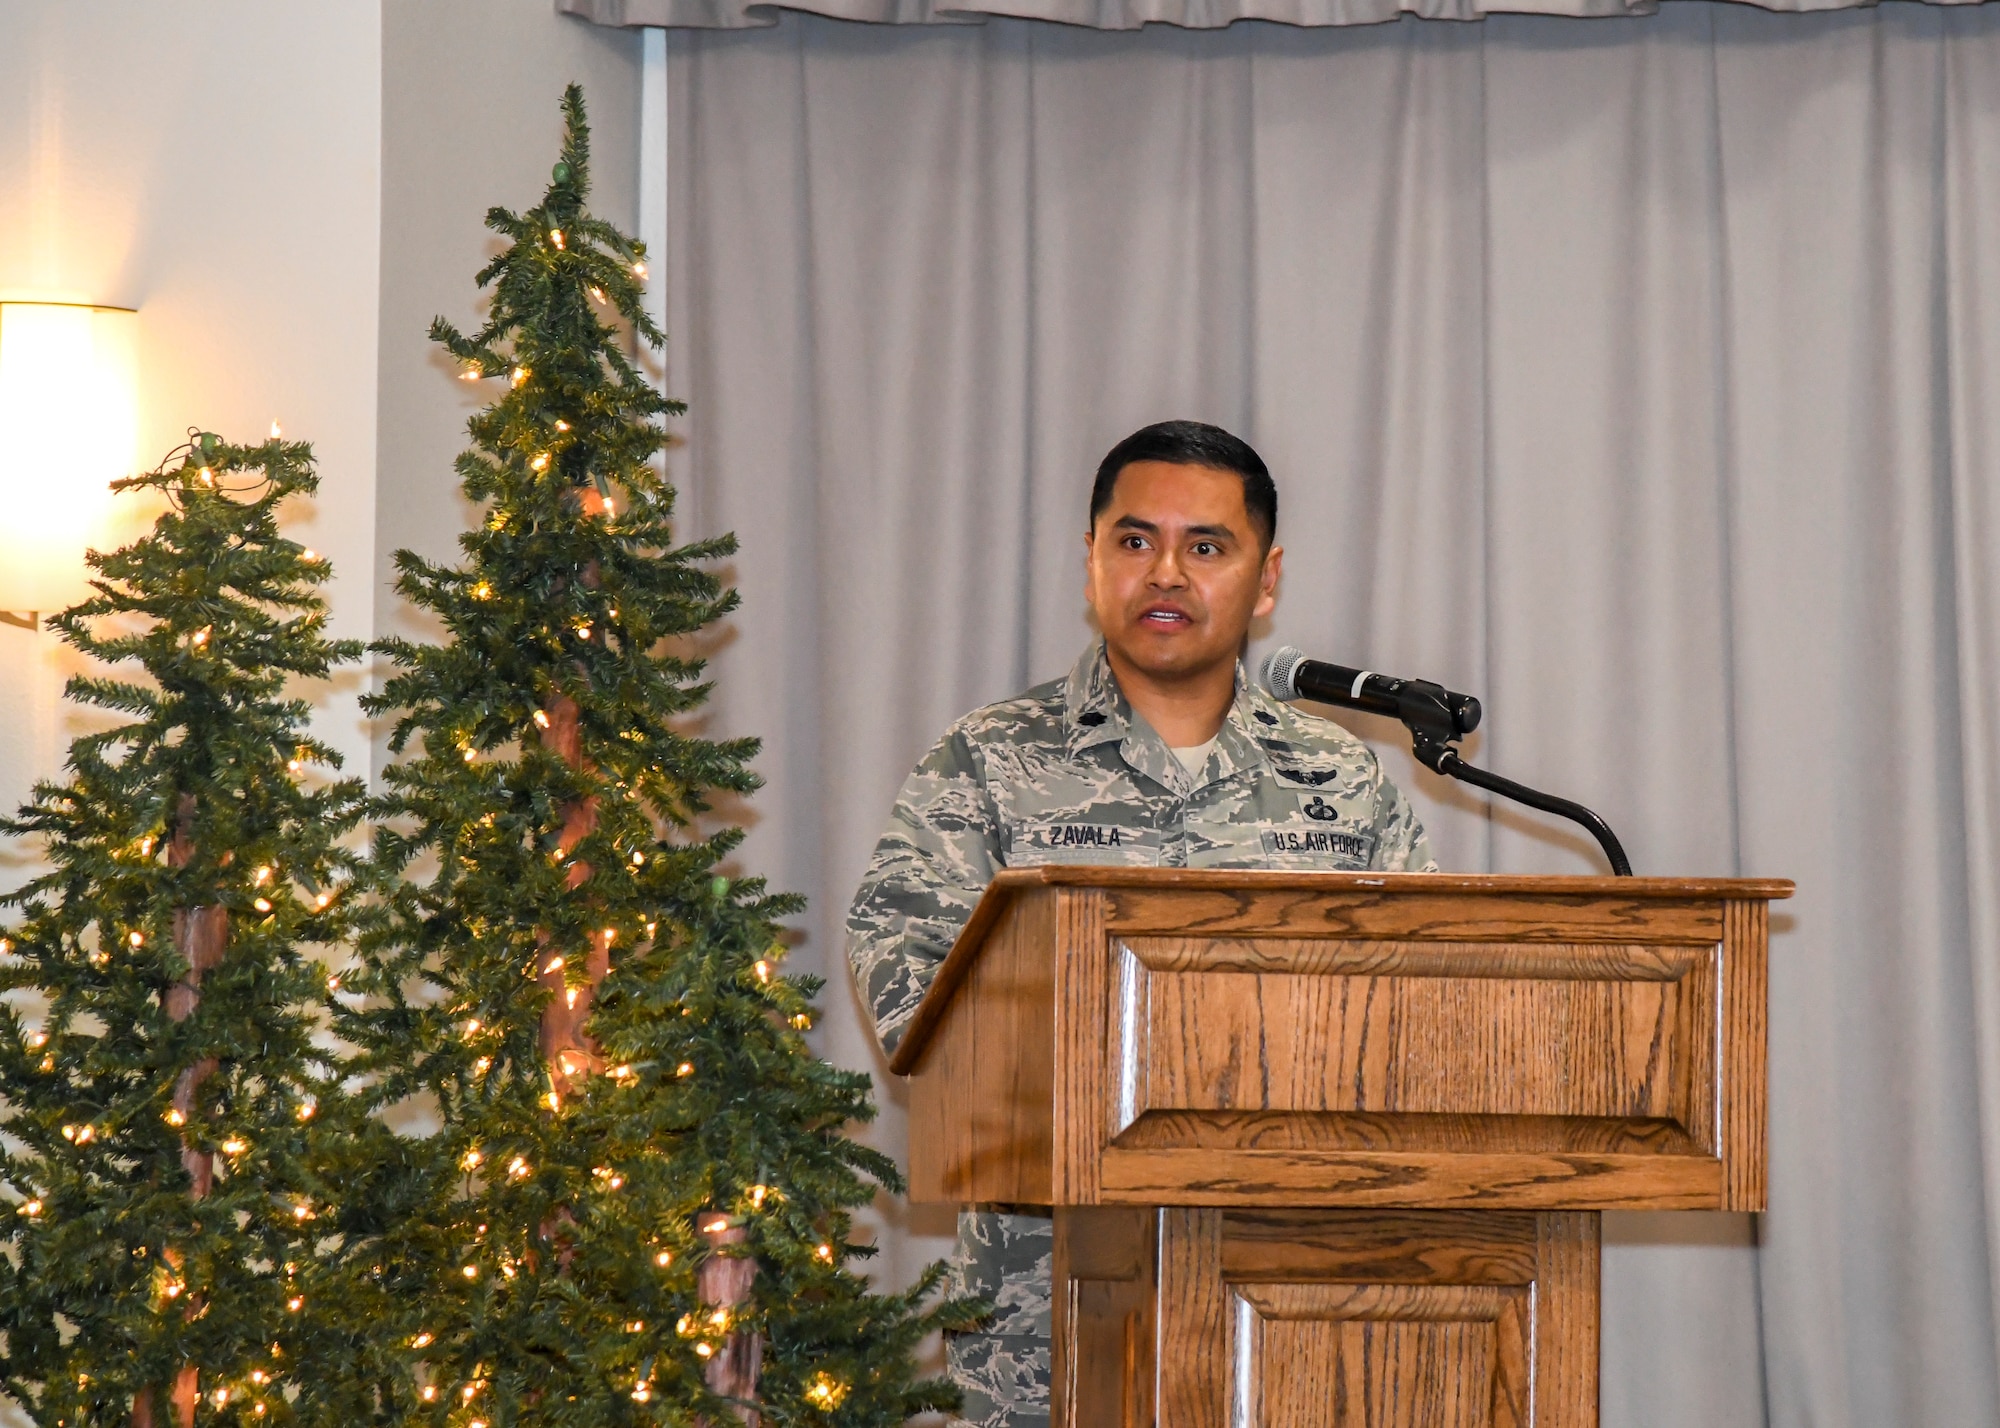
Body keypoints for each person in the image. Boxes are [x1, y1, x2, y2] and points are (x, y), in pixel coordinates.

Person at [844, 419, 1438, 1428]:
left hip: (1296, 1305)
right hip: (1047, 1315)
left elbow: (1421, 1013)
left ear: (1265, 580)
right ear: (1090, 562)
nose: (1165, 571)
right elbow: (913, 997)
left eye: (1204, 547)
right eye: (1133, 541)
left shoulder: (1341, 778)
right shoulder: (985, 762)